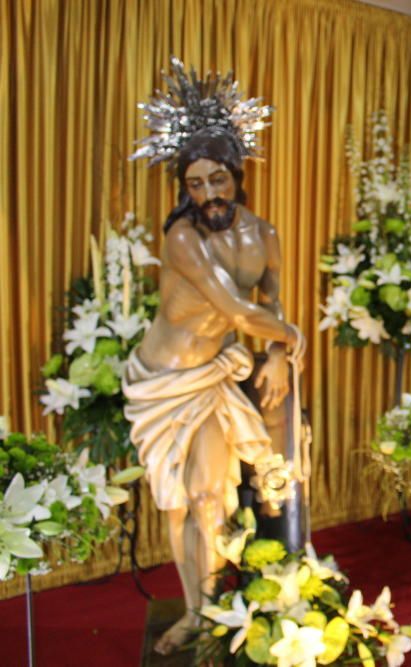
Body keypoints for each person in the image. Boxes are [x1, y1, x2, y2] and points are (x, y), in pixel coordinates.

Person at [123, 127, 304, 654]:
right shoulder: (183, 238)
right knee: (177, 504)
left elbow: (269, 305)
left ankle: (206, 615)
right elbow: (238, 312)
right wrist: (291, 341)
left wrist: (276, 354)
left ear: (238, 177)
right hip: (162, 382)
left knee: (211, 498)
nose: (209, 195)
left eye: (218, 180)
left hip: (212, 376)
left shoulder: (263, 234)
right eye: (196, 184)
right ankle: (191, 610)